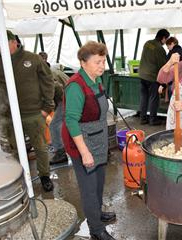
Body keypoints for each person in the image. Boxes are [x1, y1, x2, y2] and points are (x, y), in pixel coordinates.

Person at [61, 41, 116, 240]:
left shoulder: (95, 80)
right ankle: (96, 229)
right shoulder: (76, 86)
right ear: (83, 62)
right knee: (89, 188)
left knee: (99, 182)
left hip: (97, 140)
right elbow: (71, 121)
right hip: (82, 143)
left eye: (103, 61)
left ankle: (97, 214)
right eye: (97, 62)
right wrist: (84, 152)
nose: (102, 66)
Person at [0, 30, 55, 192]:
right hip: (9, 116)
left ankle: (44, 176)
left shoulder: (32, 59)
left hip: (34, 113)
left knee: (40, 147)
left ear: (14, 42)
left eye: (4, 44)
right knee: (13, 149)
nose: (0, 48)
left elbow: (48, 81)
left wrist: (47, 107)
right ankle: (21, 177)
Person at [39, 51, 69, 164]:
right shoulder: (51, 70)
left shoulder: (46, 74)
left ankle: (60, 153)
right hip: (68, 95)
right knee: (67, 123)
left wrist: (47, 108)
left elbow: (57, 89)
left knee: (54, 125)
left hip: (66, 97)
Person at [139, 29, 170, 126]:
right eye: (166, 39)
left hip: (142, 75)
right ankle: (153, 120)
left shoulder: (147, 43)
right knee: (154, 98)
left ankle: (143, 118)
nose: (166, 42)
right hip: (152, 77)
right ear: (163, 38)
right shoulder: (160, 49)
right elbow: (163, 66)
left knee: (144, 97)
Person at [158, 36, 182, 101]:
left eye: (168, 45)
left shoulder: (171, 54)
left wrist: (162, 85)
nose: (167, 48)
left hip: (173, 82)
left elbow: (167, 69)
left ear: (172, 43)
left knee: (172, 102)